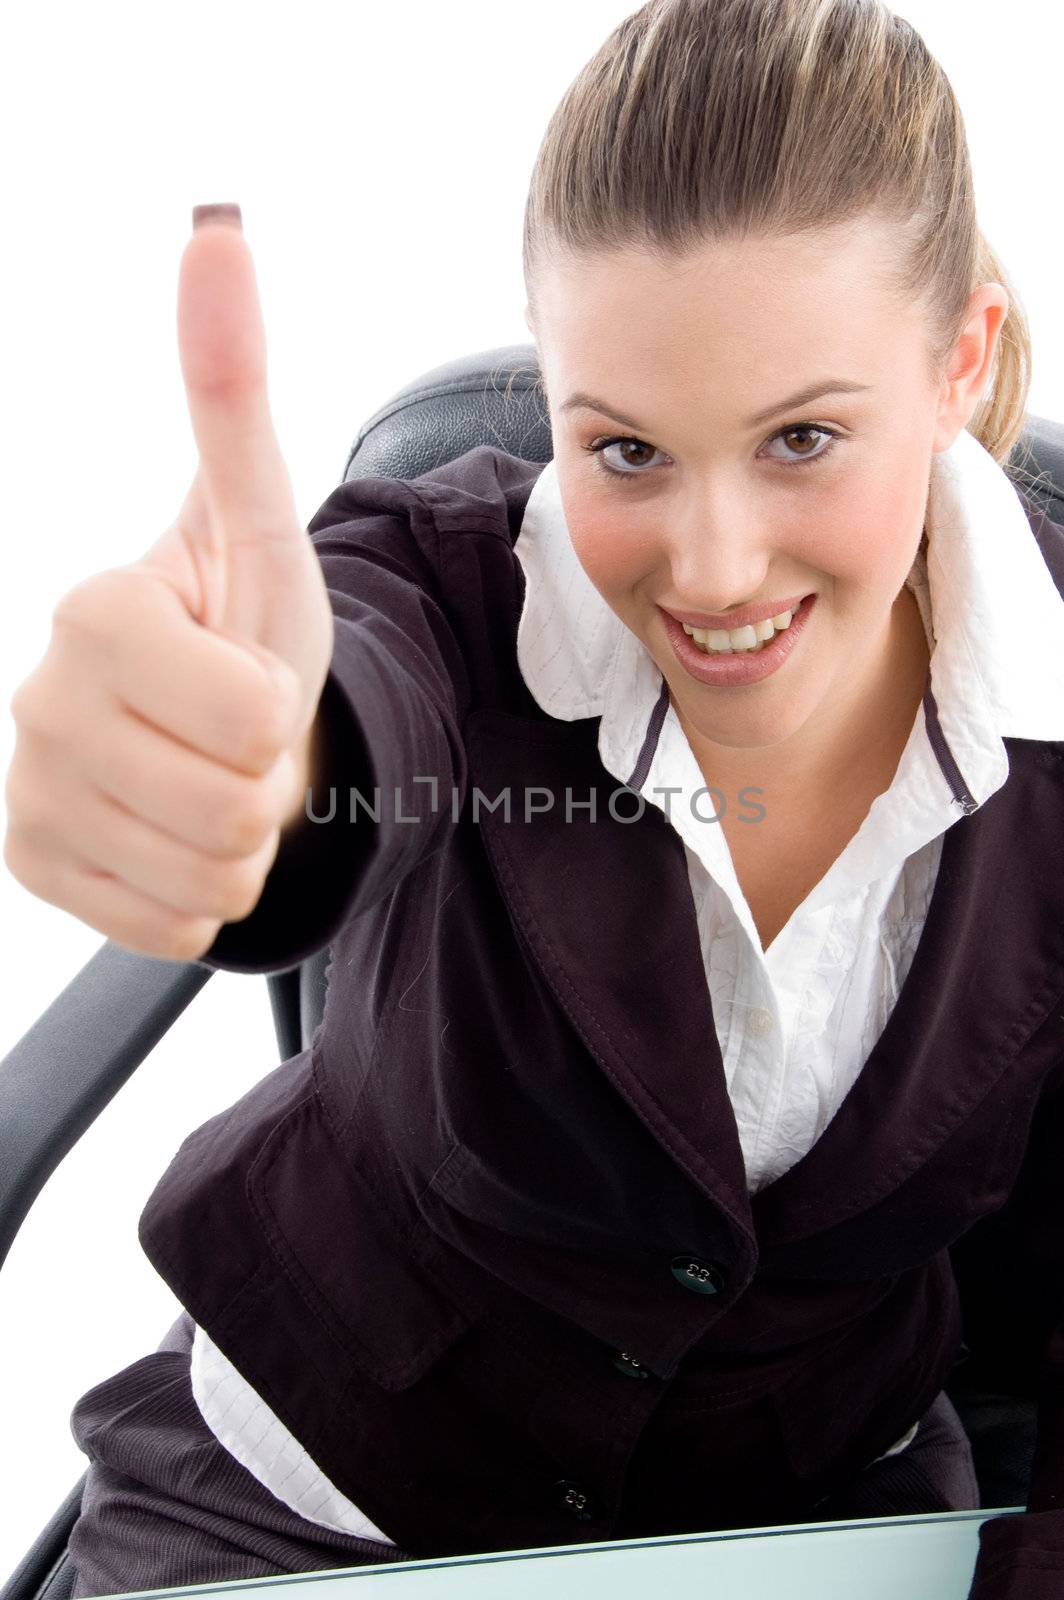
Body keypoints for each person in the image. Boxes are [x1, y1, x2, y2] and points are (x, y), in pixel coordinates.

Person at [4, 1, 1063, 1596]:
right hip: (315, 1488)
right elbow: (351, 706)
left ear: (958, 357)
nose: (711, 571)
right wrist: (256, 764)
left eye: (803, 439)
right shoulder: (442, 586)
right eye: (626, 450)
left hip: (820, 1520)